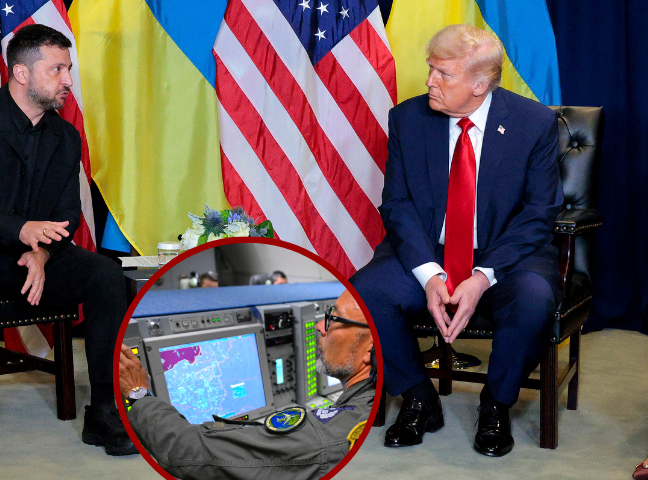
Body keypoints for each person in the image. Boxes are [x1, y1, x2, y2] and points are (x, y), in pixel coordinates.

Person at [0, 25, 135, 474]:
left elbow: (65, 216)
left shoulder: (65, 137)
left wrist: (41, 251)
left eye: (68, 69)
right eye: (56, 69)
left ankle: (104, 410)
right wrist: (23, 231)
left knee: (107, 278)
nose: (67, 80)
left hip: (33, 254)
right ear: (21, 72)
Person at [350, 24, 562, 457]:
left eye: (443, 74)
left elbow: (539, 213)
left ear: (480, 84)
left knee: (535, 299)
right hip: (430, 250)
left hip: (506, 255)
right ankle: (418, 398)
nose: (430, 81)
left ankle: (496, 405)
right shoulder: (407, 118)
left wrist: (484, 276)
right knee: (366, 290)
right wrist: (429, 274)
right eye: (431, 69)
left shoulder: (534, 123)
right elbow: (398, 204)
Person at [118, 290, 376, 480]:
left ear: (370, 351)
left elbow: (183, 450)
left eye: (335, 319)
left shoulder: (322, 437)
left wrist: (138, 393)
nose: (320, 326)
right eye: (326, 314)